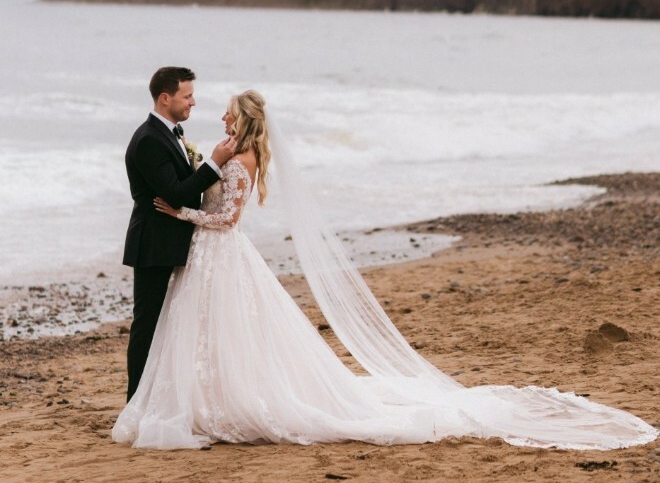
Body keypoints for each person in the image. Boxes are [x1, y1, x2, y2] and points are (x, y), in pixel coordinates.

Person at [112, 89, 657, 450]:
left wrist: (181, 210)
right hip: (208, 259)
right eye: (206, 102)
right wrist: (204, 173)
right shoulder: (228, 151)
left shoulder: (242, 160)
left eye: (229, 109)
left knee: (226, 331)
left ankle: (217, 402)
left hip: (220, 253)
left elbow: (227, 218)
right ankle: (197, 398)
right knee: (205, 332)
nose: (219, 113)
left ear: (246, 120)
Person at [121, 66, 237, 400]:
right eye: (187, 96)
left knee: (172, 321)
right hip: (154, 243)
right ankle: (135, 401)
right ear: (165, 98)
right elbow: (176, 194)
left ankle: (163, 395)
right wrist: (213, 165)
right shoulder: (148, 141)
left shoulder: (172, 133)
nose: (193, 103)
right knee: (148, 324)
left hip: (176, 240)